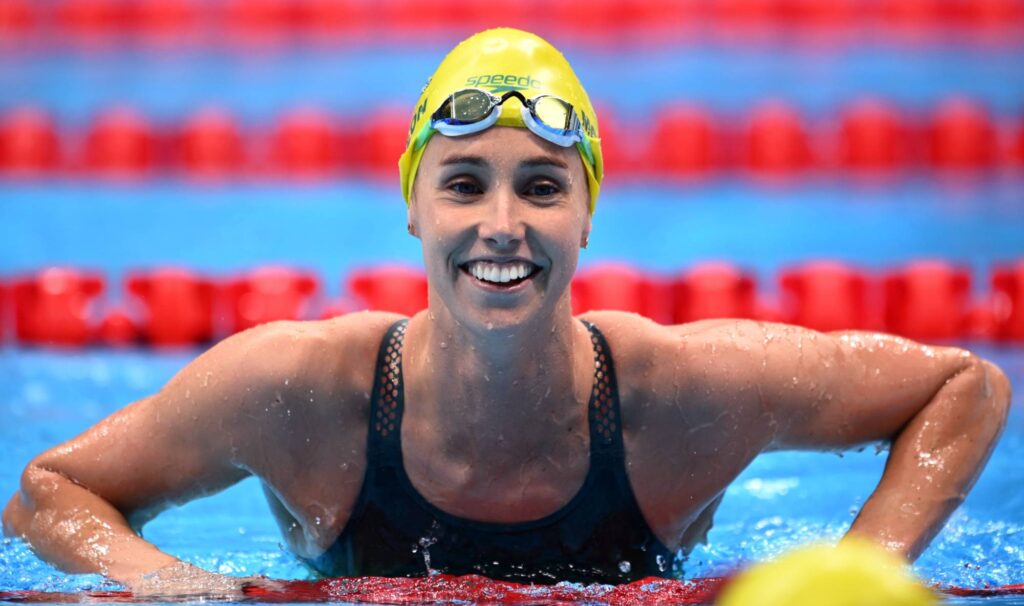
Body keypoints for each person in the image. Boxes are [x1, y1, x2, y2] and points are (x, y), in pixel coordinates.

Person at [2, 28, 1012, 595]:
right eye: (463, 185)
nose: (501, 225)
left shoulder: (688, 393)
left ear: (586, 219)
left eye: (539, 188)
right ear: (410, 205)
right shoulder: (297, 392)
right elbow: (50, 493)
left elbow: (964, 387)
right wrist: (199, 593)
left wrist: (859, 572)